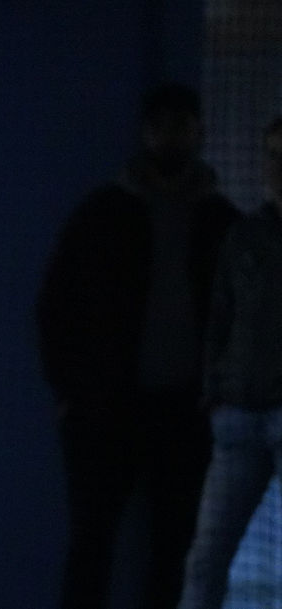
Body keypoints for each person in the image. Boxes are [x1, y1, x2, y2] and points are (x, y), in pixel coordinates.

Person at [37, 83, 239, 609]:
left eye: (181, 125)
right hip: (108, 412)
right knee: (94, 543)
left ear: (199, 133)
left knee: (172, 549)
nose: (171, 136)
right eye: (162, 125)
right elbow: (54, 307)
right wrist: (70, 394)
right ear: (146, 133)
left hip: (185, 414)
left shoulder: (222, 224)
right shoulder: (102, 214)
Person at [176, 116, 282, 609]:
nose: (277, 166)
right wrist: (215, 392)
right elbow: (219, 319)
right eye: (272, 153)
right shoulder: (245, 236)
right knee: (205, 559)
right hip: (238, 419)